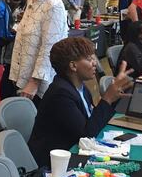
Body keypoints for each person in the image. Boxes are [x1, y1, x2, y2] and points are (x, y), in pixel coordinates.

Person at [28, 37, 133, 166]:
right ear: (73, 66)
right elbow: (86, 134)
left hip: (74, 153)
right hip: (54, 163)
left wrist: (114, 95)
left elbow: (94, 120)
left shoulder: (80, 88)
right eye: (89, 59)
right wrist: (108, 98)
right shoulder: (61, 93)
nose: (95, 62)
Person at [10, 0, 68, 104]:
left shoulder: (53, 4)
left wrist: (33, 82)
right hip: (24, 74)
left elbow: (49, 47)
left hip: (40, 83)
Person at [1, 0, 30, 100]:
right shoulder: (20, 5)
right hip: (11, 59)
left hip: (19, 62)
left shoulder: (32, 6)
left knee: (9, 95)